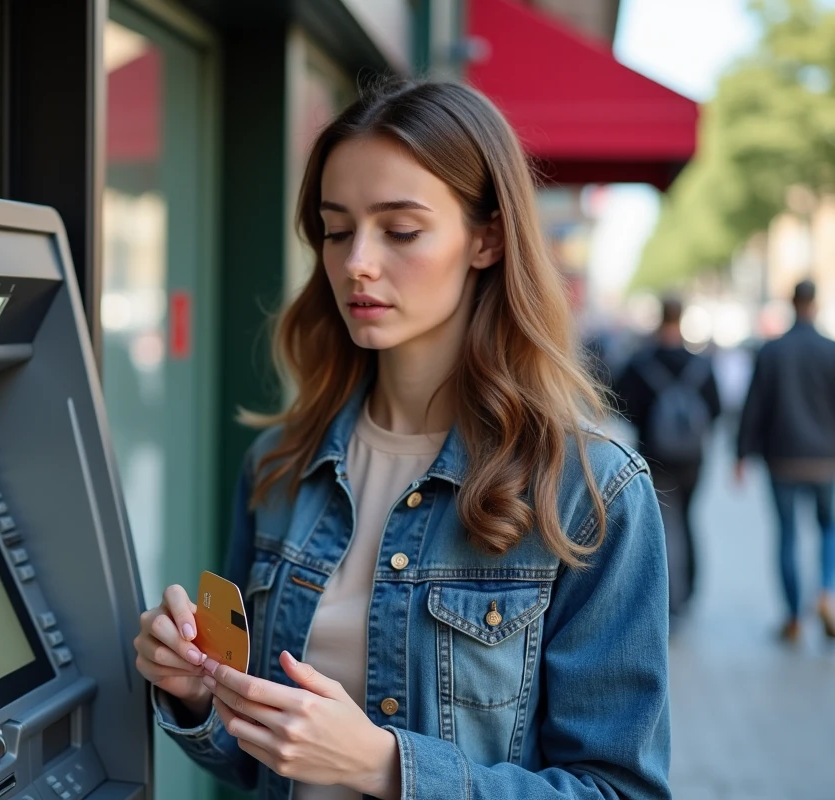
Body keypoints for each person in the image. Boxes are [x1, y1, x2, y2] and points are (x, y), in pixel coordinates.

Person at [132, 80, 670, 800]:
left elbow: (619, 789)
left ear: (488, 237)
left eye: (401, 230)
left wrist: (384, 767)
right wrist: (194, 694)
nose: (357, 262)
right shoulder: (280, 467)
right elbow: (255, 757)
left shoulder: (590, 493)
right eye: (336, 228)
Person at [737, 279, 835, 643]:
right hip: (827, 460)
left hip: (782, 459)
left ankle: (793, 617)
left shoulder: (772, 351)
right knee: (829, 528)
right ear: (816, 303)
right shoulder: (831, 350)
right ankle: (827, 592)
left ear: (792, 303)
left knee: (788, 535)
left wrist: (741, 453)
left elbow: (754, 405)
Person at [614, 296, 721, 621]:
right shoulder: (701, 365)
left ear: (660, 320)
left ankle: (667, 596)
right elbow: (715, 409)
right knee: (687, 519)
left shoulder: (642, 363)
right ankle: (687, 593)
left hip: (654, 456)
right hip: (693, 459)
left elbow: (621, 405)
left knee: (663, 524)